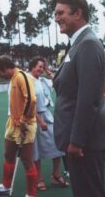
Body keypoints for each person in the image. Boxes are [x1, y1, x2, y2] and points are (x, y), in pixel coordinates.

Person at [52, 0, 105, 197]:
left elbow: (89, 99)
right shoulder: (78, 44)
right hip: (80, 138)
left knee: (90, 192)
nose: (56, 18)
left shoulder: (88, 44)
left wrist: (77, 141)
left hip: (85, 141)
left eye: (61, 13)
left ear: (78, 14)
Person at [0, 56, 38, 197]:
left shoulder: (22, 77)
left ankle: (31, 194)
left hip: (25, 124)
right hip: (12, 122)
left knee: (27, 160)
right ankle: (5, 186)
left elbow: (31, 100)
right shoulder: (12, 79)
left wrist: (23, 121)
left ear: (5, 68)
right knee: (8, 155)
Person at [27, 57, 68, 191]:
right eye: (39, 66)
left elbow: (57, 82)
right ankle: (39, 178)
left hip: (47, 116)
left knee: (58, 145)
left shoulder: (42, 80)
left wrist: (47, 71)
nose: (41, 69)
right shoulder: (27, 81)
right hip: (34, 117)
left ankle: (55, 175)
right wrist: (40, 120)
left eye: (42, 67)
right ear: (32, 67)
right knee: (36, 149)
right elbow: (28, 104)